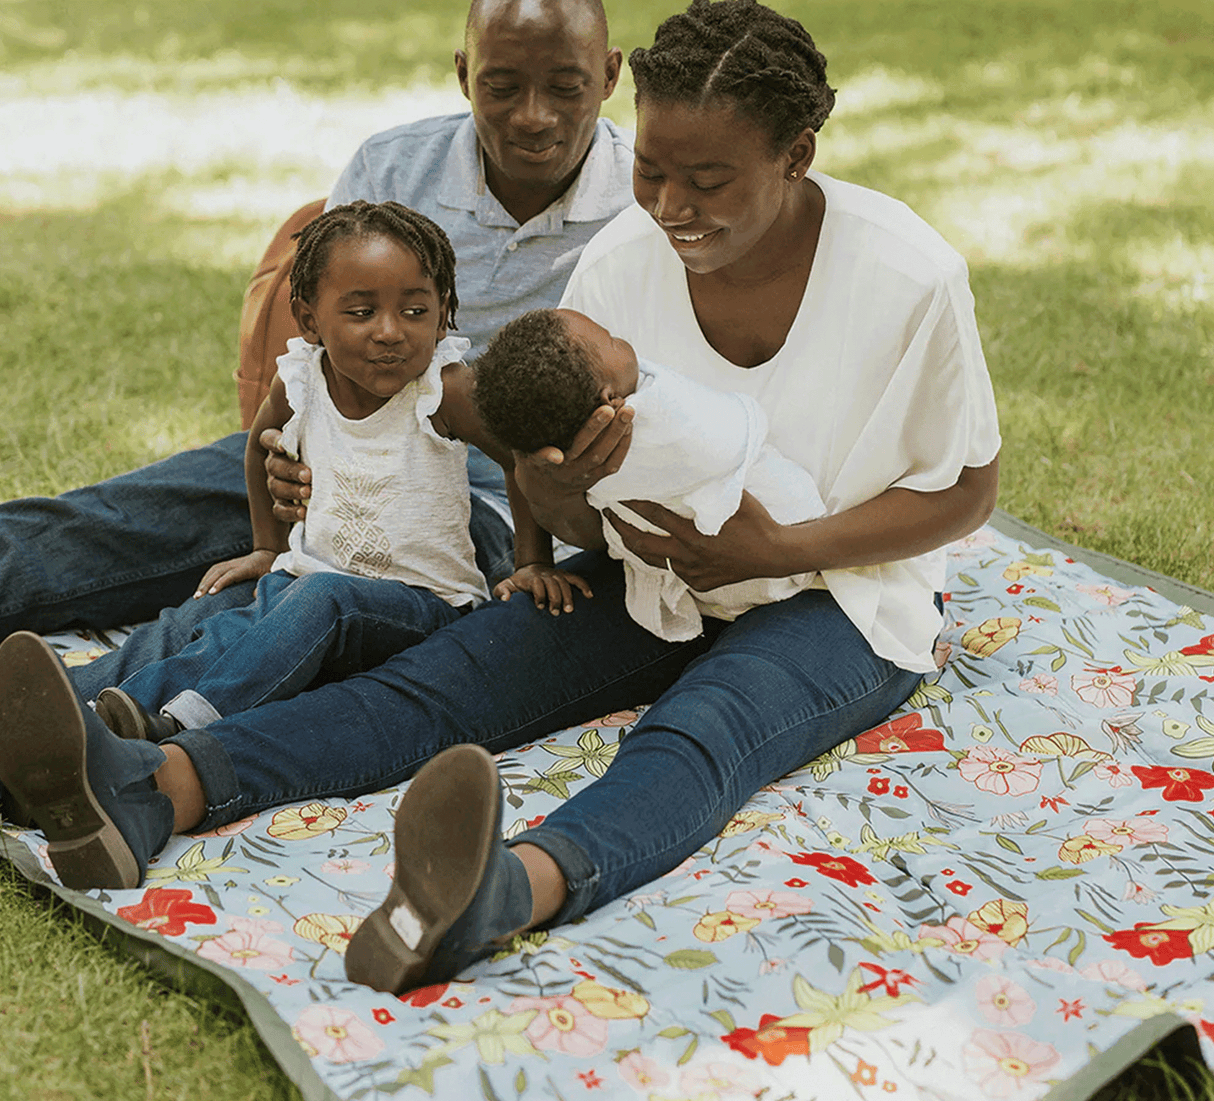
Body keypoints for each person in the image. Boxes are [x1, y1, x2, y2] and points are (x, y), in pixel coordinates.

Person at [0, 1, 1000, 1001]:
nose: (668, 202)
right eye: (650, 169)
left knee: (706, 726)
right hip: (653, 569)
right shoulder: (617, 264)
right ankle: (153, 787)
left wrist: (778, 544)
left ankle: (498, 890)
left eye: (707, 180)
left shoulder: (905, 274)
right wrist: (562, 488)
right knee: (446, 676)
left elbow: (965, 490)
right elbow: (564, 507)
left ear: (796, 154)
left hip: (841, 589)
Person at [0, 0, 630, 668]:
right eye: (502, 87)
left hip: (487, 498)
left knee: (277, 606)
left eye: (566, 87)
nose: (534, 115)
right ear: (463, 72)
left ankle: (106, 711)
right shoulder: (393, 166)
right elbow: (320, 333)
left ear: (611, 75)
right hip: (332, 442)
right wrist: (286, 449)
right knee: (110, 525)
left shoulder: (643, 202)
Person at [93, 203, 587, 747]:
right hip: (307, 583)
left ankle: (184, 724)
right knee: (220, 624)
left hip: (425, 606)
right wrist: (266, 548)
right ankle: (97, 715)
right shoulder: (301, 379)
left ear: (444, 311)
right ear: (309, 319)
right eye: (360, 313)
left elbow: (519, 461)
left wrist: (533, 560)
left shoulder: (443, 389)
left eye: (415, 311)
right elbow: (260, 449)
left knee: (323, 599)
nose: (390, 333)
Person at [475, 306, 826, 641]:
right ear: (609, 400)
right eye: (612, 339)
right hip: (782, 540)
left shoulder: (569, 450)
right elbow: (737, 428)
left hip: (741, 566)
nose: (623, 340)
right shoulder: (658, 423)